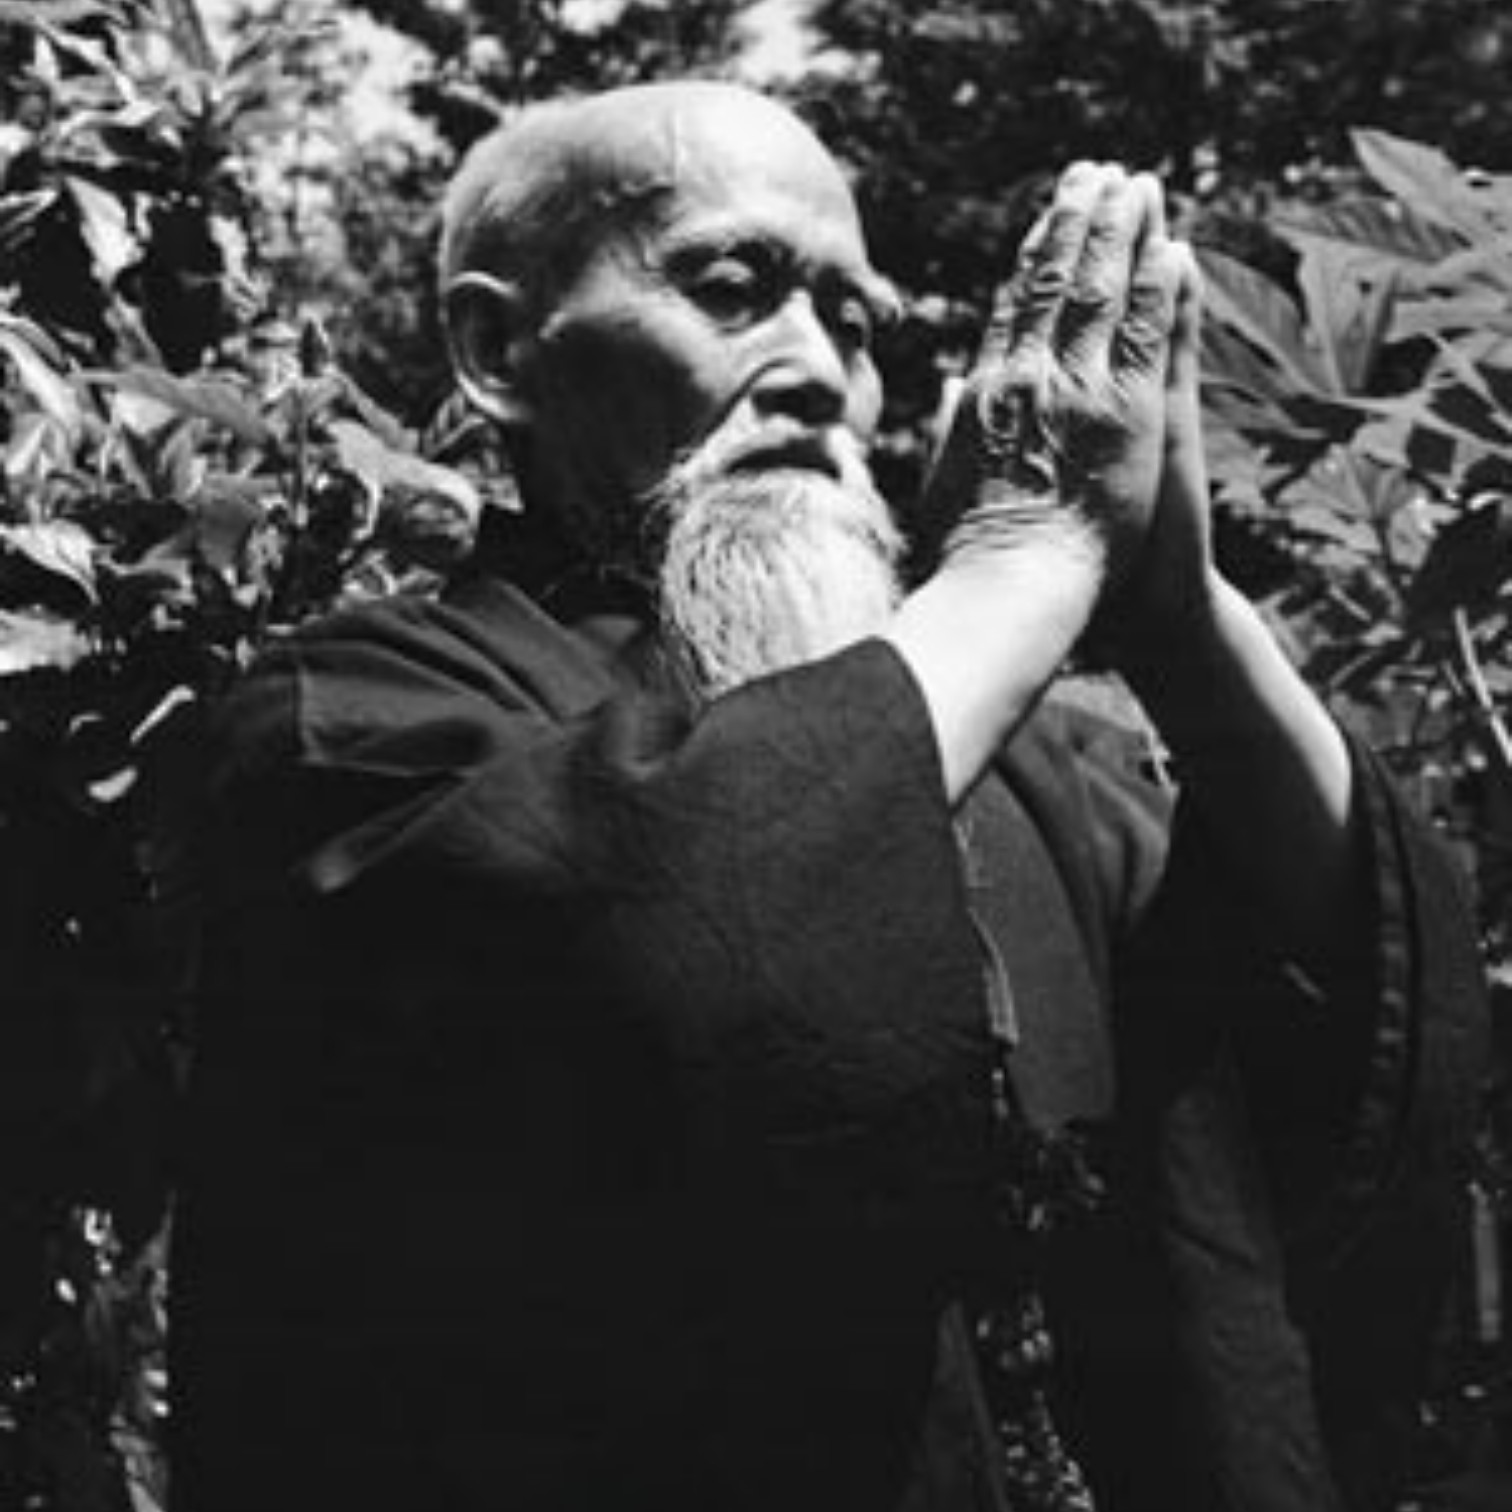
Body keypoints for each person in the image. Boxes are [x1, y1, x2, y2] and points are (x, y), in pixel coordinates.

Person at [171, 80, 1486, 1512]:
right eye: (732, 289)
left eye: (854, 324)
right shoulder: (358, 721)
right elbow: (645, 999)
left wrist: (1179, 621)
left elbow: (1346, 988)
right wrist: (1027, 556)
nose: (819, 371)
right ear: (498, 351)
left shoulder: (1024, 760)